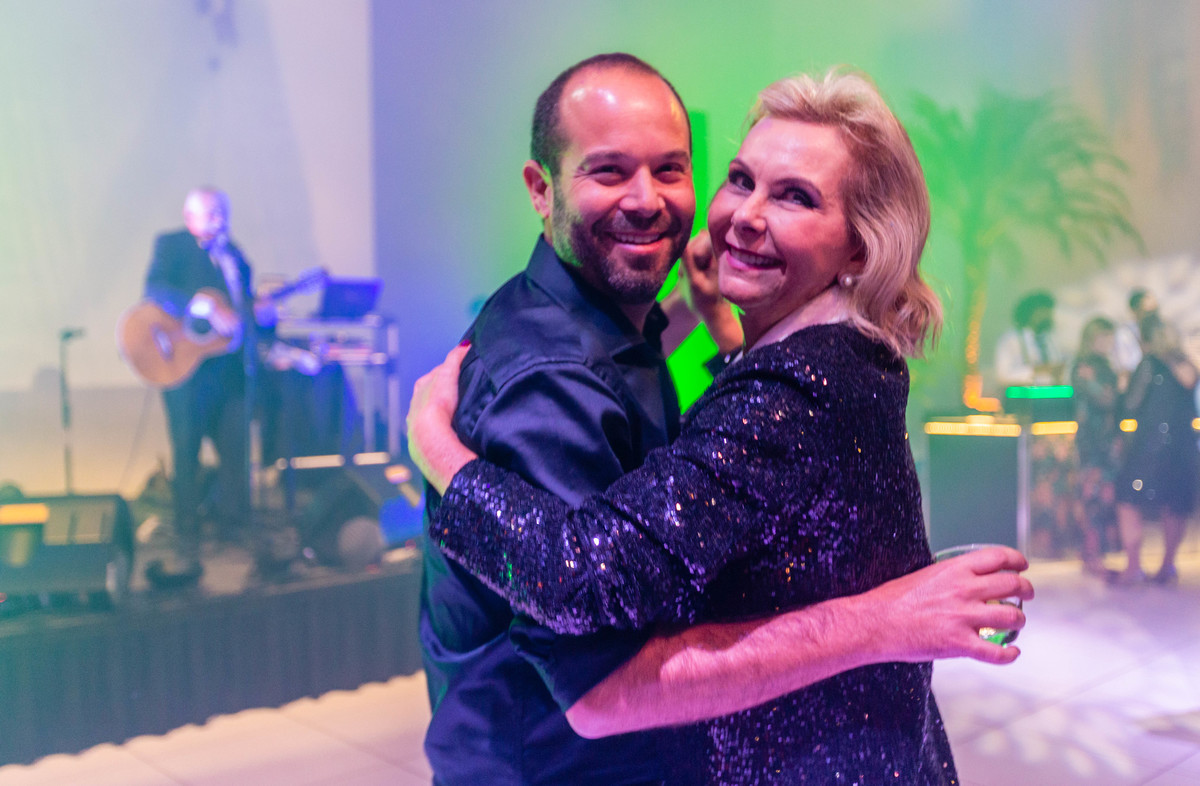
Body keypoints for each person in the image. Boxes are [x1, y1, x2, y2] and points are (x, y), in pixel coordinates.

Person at [411, 68, 1032, 784]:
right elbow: (594, 671)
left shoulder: (791, 383)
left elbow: (591, 567)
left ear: (859, 248)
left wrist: (435, 447)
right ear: (540, 186)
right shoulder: (834, 358)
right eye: (742, 180)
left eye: (795, 196)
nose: (744, 215)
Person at [142, 187, 257, 587]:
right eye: (212, 212)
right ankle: (187, 537)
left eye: (223, 211)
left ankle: (235, 526)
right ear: (190, 215)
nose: (220, 219)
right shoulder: (171, 245)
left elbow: (246, 309)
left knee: (235, 451)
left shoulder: (235, 256)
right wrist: (202, 305)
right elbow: (155, 290)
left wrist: (261, 316)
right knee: (186, 454)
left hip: (226, 373)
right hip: (184, 372)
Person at [1111, 313, 1199, 586]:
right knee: (1174, 504)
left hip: (1151, 447)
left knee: (1128, 499)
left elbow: (1131, 404)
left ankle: (1134, 566)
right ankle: (1168, 564)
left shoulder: (1149, 364)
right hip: (1183, 445)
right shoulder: (1188, 366)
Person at [1070, 316, 1122, 574]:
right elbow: (1106, 400)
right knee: (1093, 500)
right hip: (1092, 444)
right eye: (1106, 337)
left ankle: (1095, 557)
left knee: (1101, 500)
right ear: (1094, 338)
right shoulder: (1085, 365)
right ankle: (1091, 558)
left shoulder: (1099, 365)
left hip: (1103, 443)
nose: (1111, 342)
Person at [994, 289, 1065, 391]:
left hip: (1051, 398)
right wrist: (1035, 371)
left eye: (1048, 311)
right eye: (1042, 312)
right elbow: (1002, 376)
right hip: (1022, 401)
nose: (1046, 316)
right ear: (1029, 313)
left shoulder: (1051, 338)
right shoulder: (1010, 339)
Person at [1113, 288, 1159, 377]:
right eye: (1145, 309)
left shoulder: (1158, 327)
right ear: (1135, 310)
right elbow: (1127, 364)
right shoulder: (1125, 333)